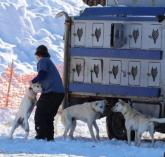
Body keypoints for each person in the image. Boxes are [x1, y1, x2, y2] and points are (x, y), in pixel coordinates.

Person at [31, 45, 64, 141]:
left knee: (40, 113)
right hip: (59, 93)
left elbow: (42, 74)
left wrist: (33, 81)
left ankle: (41, 136)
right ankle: (49, 137)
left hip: (51, 92)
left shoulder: (43, 61)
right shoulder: (49, 61)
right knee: (49, 116)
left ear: (38, 54)